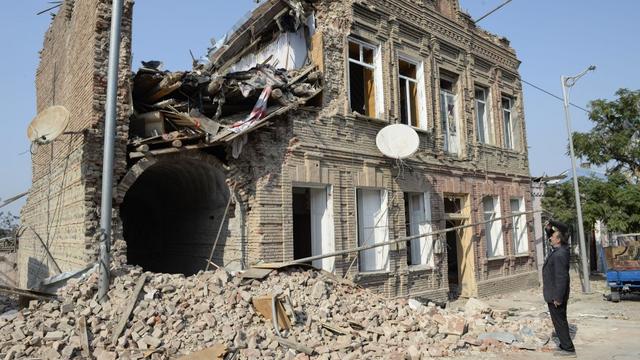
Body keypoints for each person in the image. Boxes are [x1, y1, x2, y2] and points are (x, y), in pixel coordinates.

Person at [543, 220, 576, 357]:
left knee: (560, 321)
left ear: (558, 240)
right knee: (559, 320)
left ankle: (568, 349)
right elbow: (553, 235)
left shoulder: (560, 254)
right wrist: (549, 228)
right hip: (554, 292)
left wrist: (557, 297)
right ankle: (564, 345)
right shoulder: (561, 248)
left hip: (556, 294)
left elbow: (562, 278)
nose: (550, 238)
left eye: (553, 236)